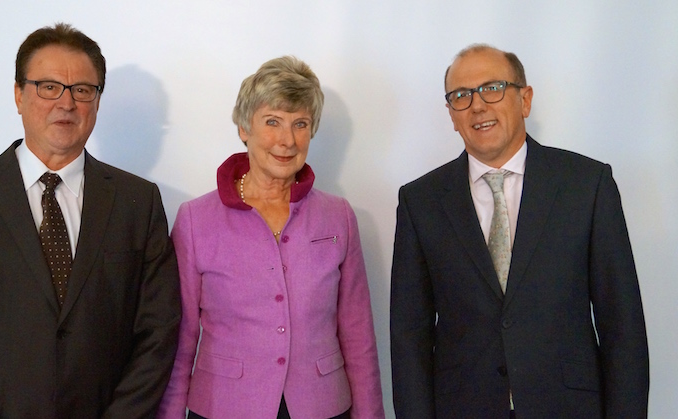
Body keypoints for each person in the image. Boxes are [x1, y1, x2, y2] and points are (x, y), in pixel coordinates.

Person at [0, 23, 181, 418]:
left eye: (82, 90)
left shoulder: (137, 202)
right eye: (49, 87)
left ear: (97, 101)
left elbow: (158, 331)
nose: (66, 103)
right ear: (19, 95)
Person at [390, 44, 649, 418]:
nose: (477, 105)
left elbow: (622, 325)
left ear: (524, 100)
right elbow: (409, 337)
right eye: (461, 96)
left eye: (492, 88)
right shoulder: (421, 201)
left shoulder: (587, 185)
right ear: (451, 115)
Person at [157, 56, 384, 419]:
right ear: (244, 128)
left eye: (300, 124)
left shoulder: (338, 215)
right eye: (272, 121)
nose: (287, 140)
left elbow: (358, 334)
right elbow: (179, 338)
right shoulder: (196, 220)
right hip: (224, 406)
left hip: (321, 406)